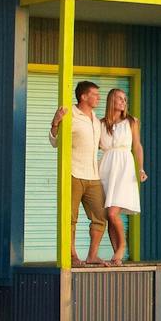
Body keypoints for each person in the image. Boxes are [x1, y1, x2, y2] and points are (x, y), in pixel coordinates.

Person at [47, 79, 110, 265]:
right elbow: (55, 142)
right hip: (74, 174)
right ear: (83, 96)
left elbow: (103, 144)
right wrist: (55, 123)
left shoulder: (96, 120)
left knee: (100, 216)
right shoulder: (70, 115)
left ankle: (92, 255)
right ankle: (72, 255)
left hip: (93, 176)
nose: (99, 98)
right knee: (70, 218)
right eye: (94, 95)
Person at [98, 87, 146, 265]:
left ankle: (122, 247)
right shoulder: (101, 124)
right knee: (108, 213)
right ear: (111, 100)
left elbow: (137, 146)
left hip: (124, 167)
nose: (123, 101)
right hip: (106, 168)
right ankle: (116, 255)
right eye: (120, 98)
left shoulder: (131, 121)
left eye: (125, 99)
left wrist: (141, 169)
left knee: (113, 212)